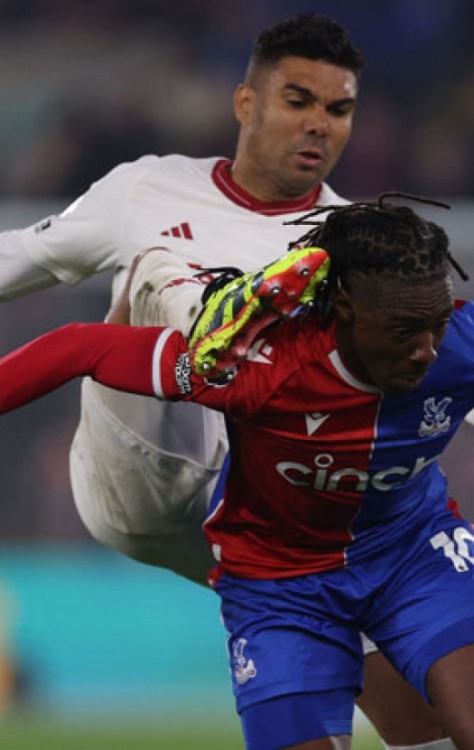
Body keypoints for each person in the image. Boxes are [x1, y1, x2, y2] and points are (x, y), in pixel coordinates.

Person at [0, 13, 453, 749]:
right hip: (136, 470)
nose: (319, 126)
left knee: (420, 715)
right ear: (246, 104)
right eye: (297, 100)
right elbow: (20, 259)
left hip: (256, 522)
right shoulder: (149, 191)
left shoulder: (356, 253)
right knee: (160, 271)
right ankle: (214, 326)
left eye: (338, 110)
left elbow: (433, 386)